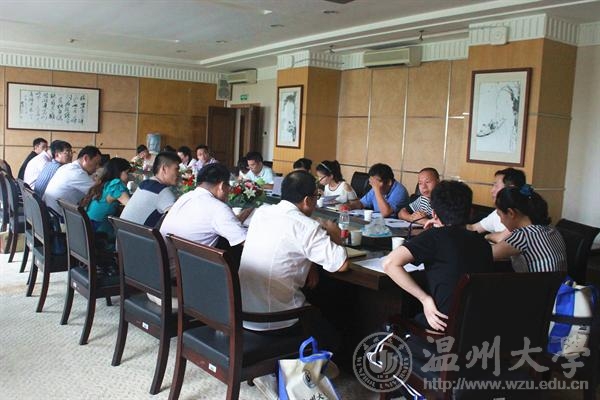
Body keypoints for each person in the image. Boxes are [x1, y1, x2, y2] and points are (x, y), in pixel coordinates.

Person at [239, 170, 349, 338]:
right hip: (276, 319)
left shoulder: (262, 213)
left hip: (242, 312)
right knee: (336, 332)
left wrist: (311, 264)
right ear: (307, 200)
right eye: (316, 196)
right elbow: (342, 265)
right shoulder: (306, 226)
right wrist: (336, 235)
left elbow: (284, 245)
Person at [383, 180, 493, 332]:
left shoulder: (434, 237)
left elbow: (389, 263)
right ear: (471, 212)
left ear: (434, 214)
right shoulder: (484, 244)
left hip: (439, 328)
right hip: (477, 329)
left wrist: (424, 299)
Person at [160, 163, 249, 267]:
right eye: (228, 185)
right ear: (221, 186)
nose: (229, 191)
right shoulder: (218, 208)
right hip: (187, 271)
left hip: (163, 266)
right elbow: (247, 243)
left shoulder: (185, 197)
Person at [492, 185, 567, 273]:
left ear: (511, 213)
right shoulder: (550, 228)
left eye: (500, 215)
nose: (501, 221)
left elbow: (486, 254)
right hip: (561, 281)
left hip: (542, 282)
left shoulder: (523, 236)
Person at [120, 152, 181, 228]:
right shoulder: (162, 191)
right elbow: (179, 221)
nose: (179, 173)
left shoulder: (144, 184)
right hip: (138, 235)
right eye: (177, 169)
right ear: (164, 169)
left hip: (122, 233)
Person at [467, 167, 526, 243]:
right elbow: (473, 228)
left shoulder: (521, 214)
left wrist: (488, 236)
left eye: (496, 186)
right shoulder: (497, 212)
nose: (492, 190)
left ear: (510, 188)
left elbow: (501, 238)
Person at [81, 157, 131, 242]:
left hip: (88, 231)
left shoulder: (104, 184)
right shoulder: (116, 185)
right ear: (118, 172)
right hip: (101, 237)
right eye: (127, 173)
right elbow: (131, 208)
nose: (129, 177)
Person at [43, 146, 102, 215]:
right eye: (96, 164)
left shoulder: (67, 167)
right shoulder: (77, 173)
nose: (97, 167)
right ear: (86, 158)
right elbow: (101, 194)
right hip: (60, 217)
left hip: (51, 212)